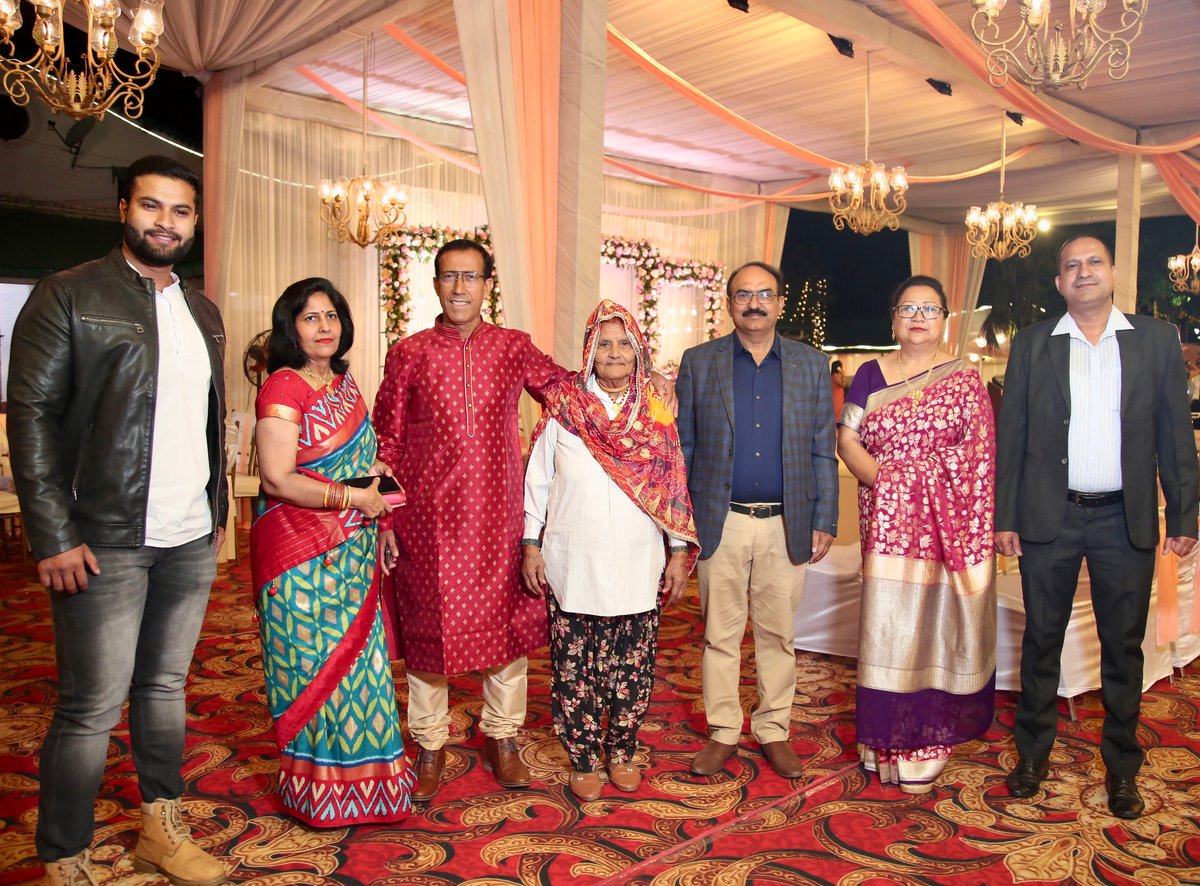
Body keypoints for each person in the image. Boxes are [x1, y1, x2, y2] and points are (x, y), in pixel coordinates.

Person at [8, 155, 229, 886]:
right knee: (90, 707)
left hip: (189, 537)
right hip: (101, 540)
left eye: (181, 211)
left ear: (195, 221)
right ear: (124, 210)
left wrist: (215, 517)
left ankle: (160, 828)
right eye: (152, 207)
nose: (166, 222)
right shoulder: (67, 294)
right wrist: (53, 532)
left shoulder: (203, 312)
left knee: (165, 690)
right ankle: (63, 856)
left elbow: (202, 423)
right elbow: (31, 417)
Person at [995, 235, 1199, 820]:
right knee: (1040, 642)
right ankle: (1031, 755)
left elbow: (1174, 437)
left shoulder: (1156, 341)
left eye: (1094, 263)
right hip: (1047, 518)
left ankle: (1122, 769)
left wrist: (1185, 513)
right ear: (1058, 283)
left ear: (1113, 275)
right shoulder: (1034, 345)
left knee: (1123, 648)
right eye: (1071, 266)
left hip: (1123, 518)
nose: (1083, 273)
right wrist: (1005, 516)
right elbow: (1014, 438)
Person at [372, 238, 569, 803]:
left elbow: (564, 392)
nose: (460, 287)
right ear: (435, 284)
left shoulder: (512, 347)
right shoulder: (409, 352)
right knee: (427, 633)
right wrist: (386, 517)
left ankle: (502, 736)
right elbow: (387, 439)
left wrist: (634, 382)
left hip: (498, 515)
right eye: (449, 277)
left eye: (471, 277)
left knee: (504, 629)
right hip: (426, 520)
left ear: (488, 285)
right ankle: (429, 743)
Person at [250, 278, 415, 825]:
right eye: (310, 318)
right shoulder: (283, 387)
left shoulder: (347, 385)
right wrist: (356, 499)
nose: (324, 327)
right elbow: (277, 479)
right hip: (300, 554)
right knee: (313, 669)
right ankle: (319, 793)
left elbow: (366, 463)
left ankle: (370, 790)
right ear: (290, 328)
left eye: (331, 316)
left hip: (356, 548)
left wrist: (383, 517)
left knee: (362, 669)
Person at [520, 300, 699, 801]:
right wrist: (530, 544)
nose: (614, 352)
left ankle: (620, 750)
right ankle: (581, 757)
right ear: (589, 352)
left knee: (631, 665)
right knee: (574, 667)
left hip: (636, 560)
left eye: (624, 343)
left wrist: (679, 551)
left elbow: (672, 483)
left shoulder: (656, 410)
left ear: (639, 350)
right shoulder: (564, 407)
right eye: (605, 344)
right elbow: (537, 482)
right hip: (572, 558)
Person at [676, 260, 838, 780]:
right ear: (728, 304)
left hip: (785, 522)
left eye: (764, 294)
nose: (754, 303)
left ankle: (773, 729)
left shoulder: (810, 365)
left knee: (777, 635)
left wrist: (825, 517)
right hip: (719, 519)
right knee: (719, 635)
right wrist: (681, 523)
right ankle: (723, 730)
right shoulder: (700, 362)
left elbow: (821, 448)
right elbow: (684, 446)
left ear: (780, 303)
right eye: (743, 294)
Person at [837, 275, 996, 794]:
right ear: (893, 318)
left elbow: (977, 455)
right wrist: (892, 485)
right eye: (908, 308)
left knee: (933, 621)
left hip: (947, 524)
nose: (918, 317)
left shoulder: (963, 379)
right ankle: (884, 737)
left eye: (929, 308)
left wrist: (914, 481)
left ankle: (928, 735)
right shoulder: (868, 375)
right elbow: (849, 439)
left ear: (946, 318)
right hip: (885, 520)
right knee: (889, 625)